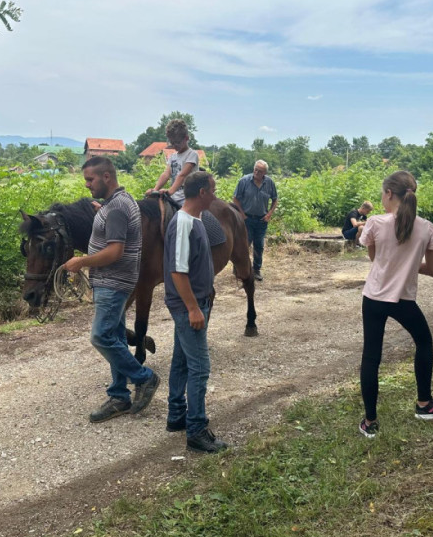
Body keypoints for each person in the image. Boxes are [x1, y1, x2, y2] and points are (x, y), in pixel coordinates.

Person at [357, 170, 433, 439]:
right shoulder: (426, 227)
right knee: (423, 342)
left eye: (382, 193)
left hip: (374, 298)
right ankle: (424, 404)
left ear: (389, 193)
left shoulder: (375, 223)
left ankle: (370, 421)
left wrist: (398, 263)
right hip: (403, 300)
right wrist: (411, 265)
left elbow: (376, 259)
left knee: (371, 356)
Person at [63, 156, 160, 423]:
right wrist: (102, 211)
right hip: (114, 282)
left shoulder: (116, 208)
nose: (87, 184)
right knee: (116, 338)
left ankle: (145, 378)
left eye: (90, 179)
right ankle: (119, 396)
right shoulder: (119, 202)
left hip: (113, 282)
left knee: (101, 337)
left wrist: (81, 262)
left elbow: (115, 251)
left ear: (106, 177)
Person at [164, 171, 228, 453]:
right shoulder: (183, 223)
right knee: (200, 368)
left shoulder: (196, 219)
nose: (215, 195)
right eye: (212, 190)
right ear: (202, 192)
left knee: (181, 360)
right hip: (187, 306)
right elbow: (178, 272)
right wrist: (193, 308)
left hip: (195, 302)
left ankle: (177, 415)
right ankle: (197, 430)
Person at [232, 160, 278, 281]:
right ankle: (238, 269)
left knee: (259, 246)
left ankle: (256, 270)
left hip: (262, 220)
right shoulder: (244, 181)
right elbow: (235, 199)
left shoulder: (269, 183)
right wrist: (242, 214)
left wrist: (269, 214)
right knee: (244, 245)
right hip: (247, 219)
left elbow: (275, 199)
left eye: (260, 171)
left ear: (265, 173)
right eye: (255, 169)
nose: (256, 172)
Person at [148, 119, 199, 206]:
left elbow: (182, 175)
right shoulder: (172, 157)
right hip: (174, 196)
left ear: (186, 138)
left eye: (177, 142)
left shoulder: (192, 154)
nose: (174, 145)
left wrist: (170, 191)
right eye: (172, 143)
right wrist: (155, 190)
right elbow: (166, 174)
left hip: (188, 197)